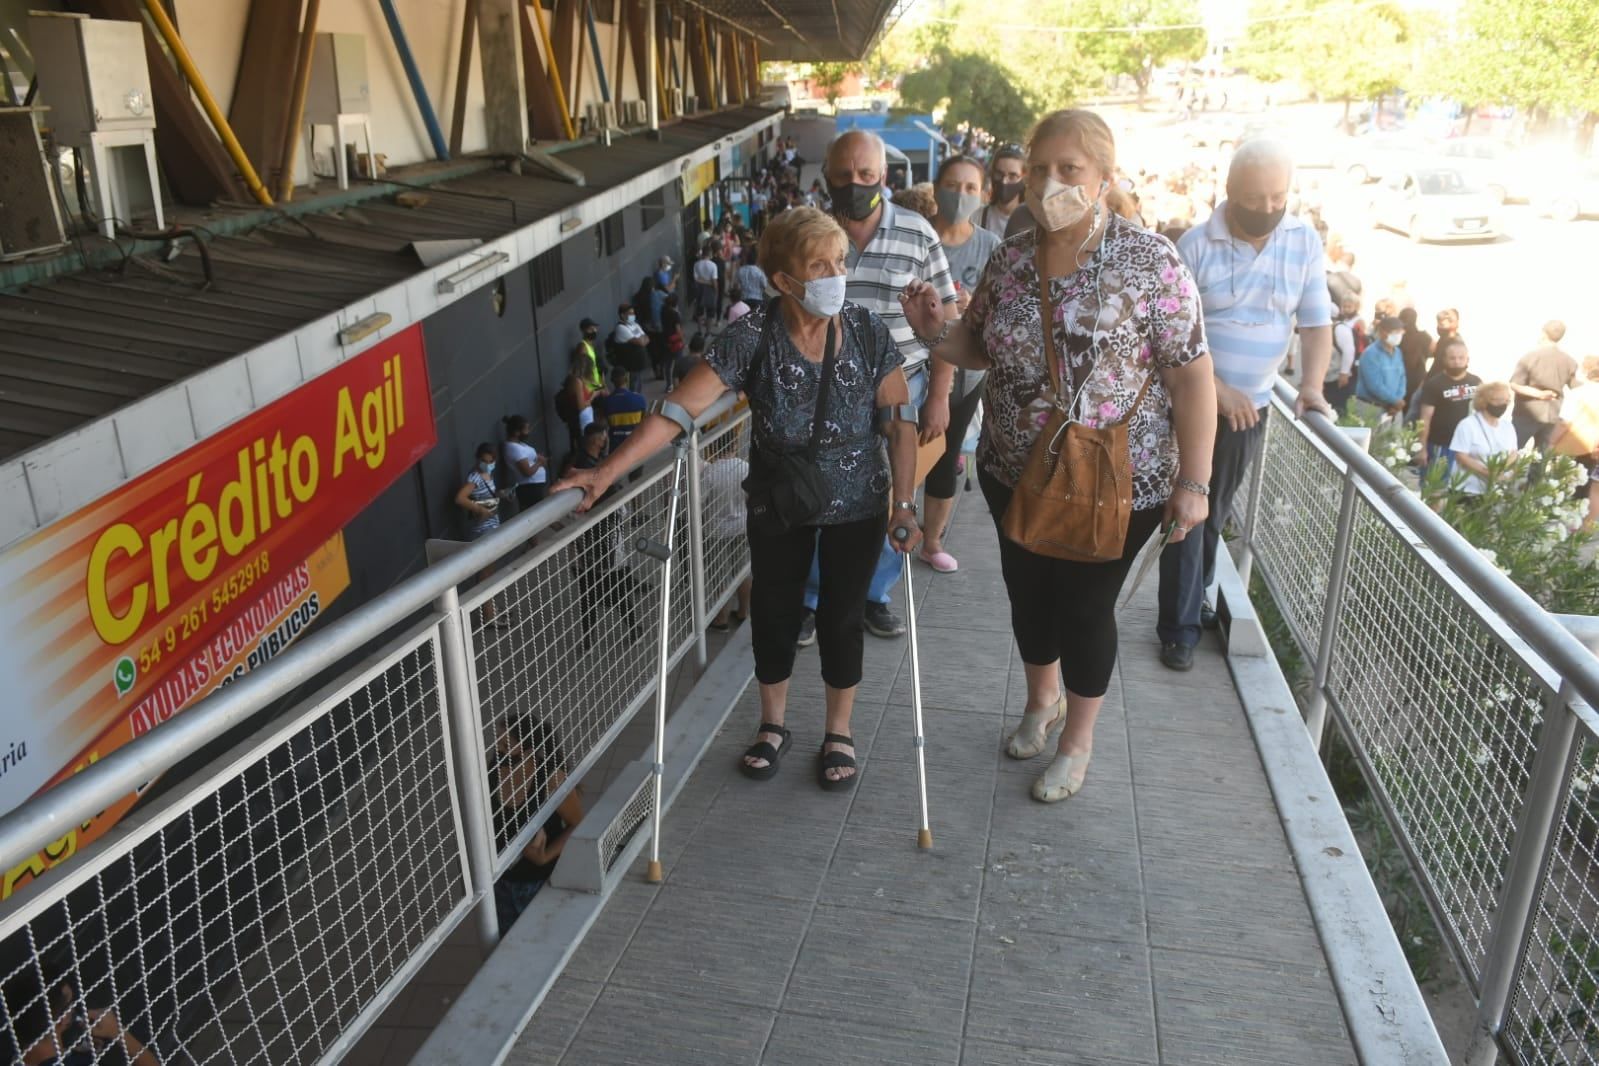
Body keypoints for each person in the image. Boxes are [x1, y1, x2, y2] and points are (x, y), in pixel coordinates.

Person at [904, 108, 1215, 803]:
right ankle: (1039, 701)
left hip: (1114, 479)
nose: (1049, 183)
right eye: (1039, 168)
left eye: (1067, 170)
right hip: (1012, 467)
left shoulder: (1148, 260)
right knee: (1027, 599)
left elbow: (1192, 374)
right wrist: (935, 334)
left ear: (1103, 177)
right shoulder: (1010, 255)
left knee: (1083, 608)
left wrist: (1194, 482)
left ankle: (1077, 741)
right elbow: (977, 345)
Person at [555, 207, 922, 790]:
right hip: (778, 499)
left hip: (859, 502)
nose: (835, 274)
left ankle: (839, 730)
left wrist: (904, 505)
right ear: (783, 280)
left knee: (842, 617)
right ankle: (773, 725)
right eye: (818, 265)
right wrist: (605, 473)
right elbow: (679, 410)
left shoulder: (867, 329)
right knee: (774, 612)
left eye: (838, 262)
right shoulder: (752, 335)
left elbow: (900, 422)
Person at [1156, 137, 1333, 671]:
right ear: (1230, 191)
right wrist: (1214, 389)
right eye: (1255, 199)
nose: (1267, 209)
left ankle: (1196, 598)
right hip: (1192, 404)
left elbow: (1316, 322)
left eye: (1278, 197)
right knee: (1187, 507)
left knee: (1213, 510)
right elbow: (1168, 337)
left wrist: (1312, 387)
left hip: (1251, 410)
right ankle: (1179, 627)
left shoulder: (1303, 241)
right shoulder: (1193, 245)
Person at [798, 128, 958, 641]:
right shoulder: (809, 233)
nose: (855, 184)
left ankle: (873, 594)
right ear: (827, 177)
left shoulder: (917, 232)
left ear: (883, 177)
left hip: (904, 387)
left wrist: (938, 395)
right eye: (844, 175)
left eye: (866, 175)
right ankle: (814, 598)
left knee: (899, 494)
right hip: (825, 389)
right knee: (820, 493)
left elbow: (945, 318)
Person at [921, 153, 1002, 572]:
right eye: (953, 185)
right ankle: (888, 533)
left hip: (965, 376)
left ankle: (932, 541)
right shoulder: (918, 237)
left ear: (983, 195)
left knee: (945, 454)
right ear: (936, 188)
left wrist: (972, 310)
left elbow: (999, 315)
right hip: (909, 370)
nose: (960, 195)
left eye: (970, 188)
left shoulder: (990, 247)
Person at [488, 716, 584, 929]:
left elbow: (578, 823)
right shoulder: (494, 769)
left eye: (506, 745)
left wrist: (544, 856)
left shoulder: (551, 778)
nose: (499, 750)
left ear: (530, 749)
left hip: (537, 883)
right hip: (501, 881)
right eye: (497, 741)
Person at [1416, 336, 1481, 476]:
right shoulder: (1434, 384)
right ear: (1444, 360)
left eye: (1461, 358)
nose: (1457, 362)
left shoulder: (1476, 382)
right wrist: (1421, 447)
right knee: (1435, 488)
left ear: (1467, 359)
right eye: (1452, 358)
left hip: (1467, 446)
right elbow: (1424, 419)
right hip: (1441, 445)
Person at [1510, 320, 1579, 450]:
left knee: (1512, 453)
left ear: (1543, 333)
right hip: (1552, 415)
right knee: (1541, 461)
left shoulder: (1530, 357)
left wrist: (1539, 394)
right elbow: (1576, 388)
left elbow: (1515, 385)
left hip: (1526, 413)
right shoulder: (1570, 361)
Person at [1450, 382, 1519, 495]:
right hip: (1466, 488)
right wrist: (1487, 473)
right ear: (1484, 401)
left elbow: (1513, 453)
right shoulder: (1468, 424)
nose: (1503, 404)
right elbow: (1461, 456)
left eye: (1506, 401)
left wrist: (1503, 470)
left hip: (1494, 490)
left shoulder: (1508, 426)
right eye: (1498, 400)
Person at [1354, 315, 1409, 419]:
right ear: (1383, 332)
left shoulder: (1397, 352)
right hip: (1371, 408)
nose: (1399, 334)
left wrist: (1397, 401)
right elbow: (1374, 385)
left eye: (1400, 331)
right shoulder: (1370, 354)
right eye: (1395, 331)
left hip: (1394, 408)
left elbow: (1402, 378)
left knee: (1395, 435)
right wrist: (1395, 401)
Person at [976, 143, 1026, 237]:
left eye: (1012, 176)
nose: (1004, 181)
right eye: (999, 174)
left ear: (1024, 178)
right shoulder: (977, 217)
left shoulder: (1032, 223)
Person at [501, 415, 549, 512]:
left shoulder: (520, 444)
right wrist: (539, 463)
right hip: (530, 488)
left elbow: (531, 457)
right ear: (516, 432)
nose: (528, 432)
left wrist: (539, 458)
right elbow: (527, 472)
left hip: (536, 486)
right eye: (526, 429)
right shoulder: (514, 448)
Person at [456, 443, 503, 540]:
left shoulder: (488, 474)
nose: (487, 465)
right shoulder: (475, 478)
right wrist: (480, 510)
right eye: (484, 461)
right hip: (482, 528)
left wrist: (501, 494)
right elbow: (459, 498)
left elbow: (485, 494)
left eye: (491, 461)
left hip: (494, 522)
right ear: (477, 458)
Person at [596, 367, 646, 453]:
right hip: (636, 445)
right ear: (627, 379)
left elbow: (601, 426)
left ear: (612, 380)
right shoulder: (640, 399)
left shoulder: (607, 402)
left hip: (616, 448)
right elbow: (644, 422)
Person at [1327, 294, 1360, 414]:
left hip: (1339, 379)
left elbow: (1349, 351)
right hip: (1328, 378)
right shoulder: (1330, 328)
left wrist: (1344, 373)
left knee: (1338, 410)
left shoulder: (1339, 329)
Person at [608, 302, 651, 375]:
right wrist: (641, 338)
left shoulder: (634, 324)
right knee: (633, 384)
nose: (633, 316)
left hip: (637, 364)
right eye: (630, 314)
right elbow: (641, 342)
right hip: (629, 365)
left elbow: (647, 338)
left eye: (633, 313)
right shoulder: (621, 328)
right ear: (622, 315)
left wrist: (642, 339)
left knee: (638, 383)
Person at [656, 292, 685, 382]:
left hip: (665, 339)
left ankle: (669, 385)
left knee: (668, 364)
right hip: (675, 341)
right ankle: (679, 382)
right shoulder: (675, 314)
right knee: (678, 363)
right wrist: (683, 341)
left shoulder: (663, 310)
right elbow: (678, 330)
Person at [573, 317, 605, 393]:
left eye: (595, 328)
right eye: (590, 329)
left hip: (596, 387)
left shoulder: (591, 346)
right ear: (583, 331)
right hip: (590, 390)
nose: (594, 331)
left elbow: (597, 368)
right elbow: (581, 373)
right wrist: (595, 388)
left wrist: (602, 385)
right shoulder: (582, 347)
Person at [691, 245, 720, 325]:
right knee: (710, 312)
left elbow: (696, 279)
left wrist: (703, 281)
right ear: (710, 254)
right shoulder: (713, 265)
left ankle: (700, 331)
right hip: (710, 290)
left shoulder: (696, 264)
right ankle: (708, 332)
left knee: (699, 311)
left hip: (699, 289)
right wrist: (715, 290)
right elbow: (714, 281)